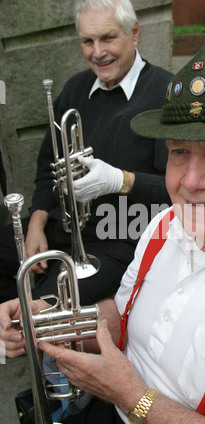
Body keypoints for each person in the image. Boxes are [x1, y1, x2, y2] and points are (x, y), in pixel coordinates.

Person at [1, 24, 205, 424]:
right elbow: (123, 316)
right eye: (179, 151)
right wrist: (50, 319)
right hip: (102, 421)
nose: (190, 181)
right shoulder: (165, 226)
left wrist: (129, 394)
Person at [0, 0, 172, 306]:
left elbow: (178, 192)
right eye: (87, 41)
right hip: (55, 226)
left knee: (43, 308)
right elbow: (46, 167)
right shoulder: (75, 88)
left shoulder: (166, 94)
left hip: (117, 237)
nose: (97, 52)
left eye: (108, 38)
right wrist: (36, 225)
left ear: (133, 33)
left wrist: (120, 180)